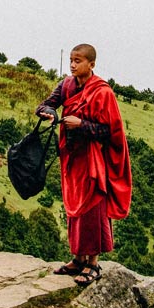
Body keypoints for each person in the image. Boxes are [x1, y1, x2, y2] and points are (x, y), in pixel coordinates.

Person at [36, 44, 132, 287]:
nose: (72, 64)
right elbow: (46, 104)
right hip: (72, 157)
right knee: (74, 208)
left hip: (93, 160)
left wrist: (81, 124)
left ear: (91, 64)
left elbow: (109, 131)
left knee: (93, 210)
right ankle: (78, 258)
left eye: (78, 60)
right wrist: (48, 113)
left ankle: (93, 263)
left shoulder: (102, 92)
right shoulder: (67, 85)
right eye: (71, 60)